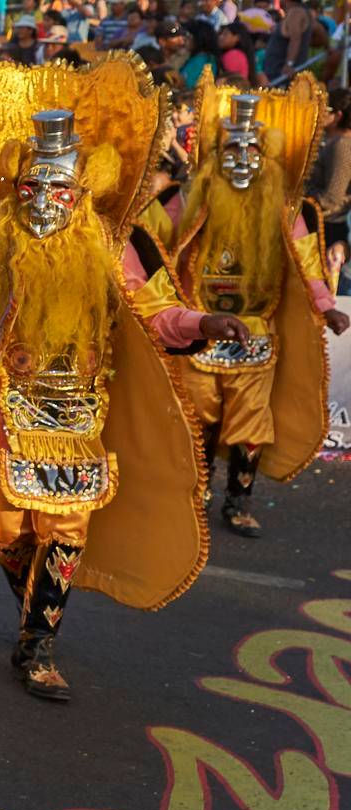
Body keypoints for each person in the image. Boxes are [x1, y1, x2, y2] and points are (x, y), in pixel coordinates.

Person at [0, 59, 250, 702]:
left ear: (81, 195)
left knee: (65, 532)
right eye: (29, 188)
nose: (40, 204)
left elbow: (155, 314)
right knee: (8, 533)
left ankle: (37, 645)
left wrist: (206, 320)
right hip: (1, 415)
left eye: (55, 192)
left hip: (78, 418)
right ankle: (32, 610)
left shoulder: (112, 250)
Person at [171, 84, 350, 537]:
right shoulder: (191, 197)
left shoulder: (283, 208)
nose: (243, 160)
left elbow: (307, 261)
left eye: (253, 150)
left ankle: (239, 501)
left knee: (251, 425)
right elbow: (152, 245)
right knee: (200, 424)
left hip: (256, 335)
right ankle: (197, 497)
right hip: (200, 329)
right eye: (233, 148)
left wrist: (326, 307)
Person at [306, 88, 351, 250]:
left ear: (338, 116)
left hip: (328, 231)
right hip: (320, 225)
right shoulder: (335, 142)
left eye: (325, 108)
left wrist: (300, 191)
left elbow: (332, 199)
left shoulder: (343, 146)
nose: (319, 112)